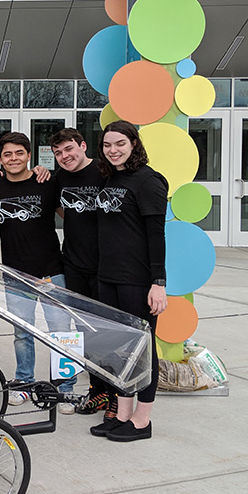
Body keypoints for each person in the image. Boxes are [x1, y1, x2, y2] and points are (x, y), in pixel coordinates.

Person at [0, 131, 77, 413]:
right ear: (0, 159)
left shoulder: (46, 184)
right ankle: (24, 383)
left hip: (51, 270)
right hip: (15, 274)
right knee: (22, 333)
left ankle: (66, 387)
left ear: (29, 156)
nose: (13, 159)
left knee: (61, 332)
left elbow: (71, 214)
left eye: (19, 153)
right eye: (7, 154)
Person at [91, 120, 168, 442]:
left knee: (142, 349)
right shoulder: (112, 178)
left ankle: (142, 419)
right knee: (117, 348)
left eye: (120, 144)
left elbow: (156, 234)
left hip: (137, 280)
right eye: (108, 145)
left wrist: (158, 281)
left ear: (134, 144)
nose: (113, 150)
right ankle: (122, 413)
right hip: (108, 277)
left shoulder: (148, 181)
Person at [49, 127, 109, 415]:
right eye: (58, 153)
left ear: (83, 146)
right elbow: (63, 209)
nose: (64, 156)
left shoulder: (104, 171)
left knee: (106, 329)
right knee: (84, 330)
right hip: (73, 264)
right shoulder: (59, 177)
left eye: (68, 149)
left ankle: (112, 390)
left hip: (106, 265)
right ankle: (97, 390)